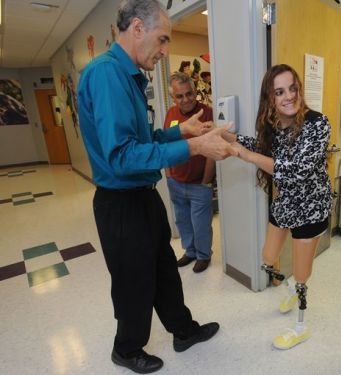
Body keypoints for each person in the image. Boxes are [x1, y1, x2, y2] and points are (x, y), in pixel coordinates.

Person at [77, 1, 235, 373]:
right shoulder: (107, 75)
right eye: (162, 39)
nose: (165, 51)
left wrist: (180, 131)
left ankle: (183, 330)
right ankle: (127, 348)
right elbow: (121, 156)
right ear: (136, 29)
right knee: (133, 279)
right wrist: (195, 147)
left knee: (163, 266)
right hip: (120, 202)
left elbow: (143, 139)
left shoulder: (130, 77)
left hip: (143, 197)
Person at [222, 64, 333, 350]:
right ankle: (291, 288)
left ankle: (300, 325)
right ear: (270, 98)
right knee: (268, 257)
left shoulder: (318, 124)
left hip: (311, 207)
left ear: (299, 89)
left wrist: (247, 157)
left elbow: (298, 170)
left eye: (292, 88)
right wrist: (228, 139)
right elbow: (258, 146)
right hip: (285, 204)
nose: (288, 97)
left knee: (302, 271)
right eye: (279, 92)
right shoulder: (275, 126)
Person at [164, 72, 215, 273]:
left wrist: (205, 181)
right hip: (175, 181)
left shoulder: (207, 113)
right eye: (180, 96)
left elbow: (212, 150)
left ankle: (203, 255)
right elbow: (165, 144)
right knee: (183, 221)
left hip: (198, 183)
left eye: (189, 94)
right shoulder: (170, 114)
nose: (186, 100)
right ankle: (190, 251)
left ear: (195, 92)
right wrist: (168, 173)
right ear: (173, 97)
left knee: (201, 224)